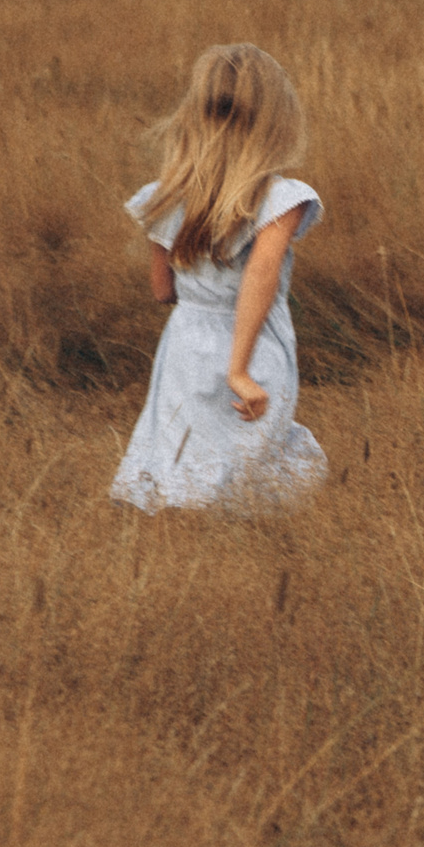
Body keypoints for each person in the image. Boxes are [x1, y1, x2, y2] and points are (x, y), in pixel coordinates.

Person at [111, 43, 328, 512]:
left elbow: (160, 289)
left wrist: (196, 293)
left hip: (184, 345)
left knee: (181, 456)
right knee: (250, 457)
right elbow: (261, 273)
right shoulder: (279, 198)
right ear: (275, 120)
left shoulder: (164, 197)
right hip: (251, 341)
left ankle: (183, 545)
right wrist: (238, 368)